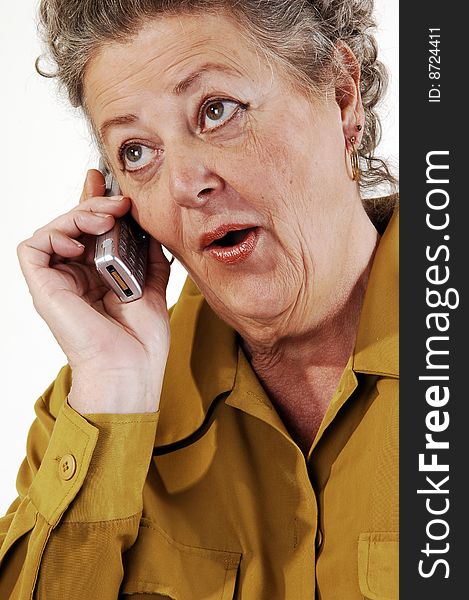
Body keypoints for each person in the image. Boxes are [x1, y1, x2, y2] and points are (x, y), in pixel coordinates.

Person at [0, 0, 398, 598]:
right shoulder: (92, 411)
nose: (187, 185)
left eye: (217, 111)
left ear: (343, 97)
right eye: (137, 150)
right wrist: (113, 387)